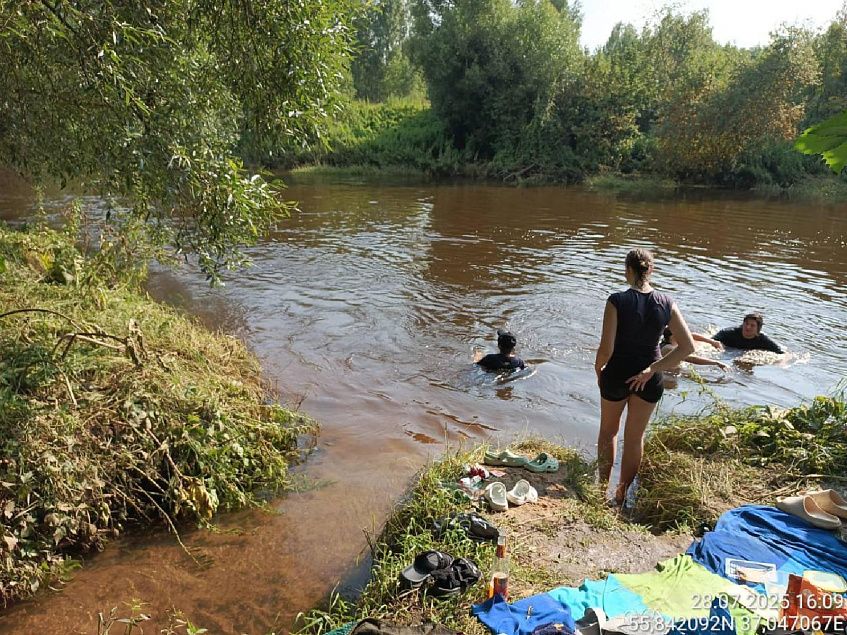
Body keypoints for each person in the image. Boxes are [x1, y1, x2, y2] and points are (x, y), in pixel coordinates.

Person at [594, 248, 696, 506]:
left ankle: (600, 491)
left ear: (627, 270)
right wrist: (652, 369)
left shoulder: (616, 300)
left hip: (617, 374)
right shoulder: (667, 303)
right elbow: (687, 347)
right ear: (650, 270)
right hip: (648, 380)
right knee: (635, 437)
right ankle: (621, 495)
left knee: (608, 432)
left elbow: (606, 349)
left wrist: (598, 370)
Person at [661, 328, 729, 371]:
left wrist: (711, 341)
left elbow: (691, 335)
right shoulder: (668, 349)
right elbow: (693, 359)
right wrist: (716, 363)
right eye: (681, 334)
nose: (684, 335)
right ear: (673, 337)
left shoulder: (671, 341)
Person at [713, 313, 784, 354]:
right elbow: (711, 341)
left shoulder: (763, 339)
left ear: (758, 329)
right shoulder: (728, 333)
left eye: (752, 325)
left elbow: (781, 352)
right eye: (746, 324)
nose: (748, 327)